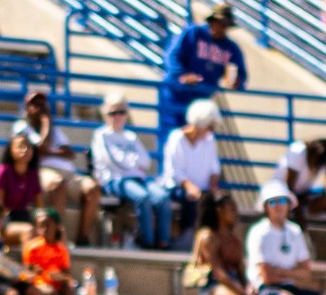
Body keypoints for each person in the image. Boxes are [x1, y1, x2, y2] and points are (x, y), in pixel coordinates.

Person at [247, 181, 326, 295]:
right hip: (266, 290)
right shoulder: (258, 232)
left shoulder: (295, 230)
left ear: (289, 205)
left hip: (291, 288)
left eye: (282, 201)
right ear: (265, 207)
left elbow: (306, 273)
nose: (278, 206)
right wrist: (292, 272)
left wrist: (280, 271)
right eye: (273, 202)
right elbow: (267, 278)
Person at [16, 90, 101, 244]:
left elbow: (69, 153)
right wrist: (46, 123)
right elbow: (39, 150)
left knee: (93, 188)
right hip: (40, 171)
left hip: (69, 173)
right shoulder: (22, 127)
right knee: (57, 183)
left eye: (42, 104)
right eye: (34, 104)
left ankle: (82, 239)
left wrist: (48, 150)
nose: (39, 108)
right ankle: (56, 238)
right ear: (27, 107)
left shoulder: (56, 130)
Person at [91, 92, 165, 250]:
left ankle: (163, 242)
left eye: (122, 112)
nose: (118, 116)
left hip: (137, 179)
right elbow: (114, 161)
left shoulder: (131, 136)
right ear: (106, 114)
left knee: (162, 197)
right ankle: (147, 242)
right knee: (142, 197)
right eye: (113, 113)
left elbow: (146, 161)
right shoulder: (101, 135)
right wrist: (134, 162)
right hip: (115, 180)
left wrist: (131, 162)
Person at [161, 4, 247, 133]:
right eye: (219, 22)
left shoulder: (230, 48)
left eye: (225, 24)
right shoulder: (194, 33)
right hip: (176, 95)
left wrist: (236, 82)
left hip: (202, 101)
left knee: (199, 140)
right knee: (173, 136)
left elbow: (240, 76)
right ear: (211, 21)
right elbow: (172, 56)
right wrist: (183, 75)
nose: (221, 27)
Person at [0, 210, 76, 295]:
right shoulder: (33, 246)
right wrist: (38, 272)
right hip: (39, 282)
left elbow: (67, 273)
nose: (45, 228)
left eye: (48, 224)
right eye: (41, 225)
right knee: (51, 293)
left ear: (56, 226)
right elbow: (27, 271)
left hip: (55, 282)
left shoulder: (61, 249)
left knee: (70, 294)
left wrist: (61, 277)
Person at [158, 100, 223, 250]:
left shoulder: (210, 141)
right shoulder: (176, 138)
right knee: (190, 197)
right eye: (210, 126)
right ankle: (186, 237)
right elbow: (176, 172)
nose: (211, 130)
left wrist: (213, 188)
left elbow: (215, 169)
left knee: (218, 202)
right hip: (176, 187)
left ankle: (212, 242)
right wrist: (190, 187)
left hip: (202, 189)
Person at [185, 192, 254, 295]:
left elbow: (240, 272)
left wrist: (249, 288)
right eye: (232, 209)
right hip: (213, 286)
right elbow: (219, 273)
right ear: (219, 211)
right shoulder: (207, 237)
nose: (236, 212)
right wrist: (242, 292)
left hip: (234, 284)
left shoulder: (234, 240)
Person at [0, 132, 45, 243]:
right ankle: (29, 260)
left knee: (53, 230)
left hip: (24, 216)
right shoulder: (3, 171)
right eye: (20, 146)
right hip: (5, 219)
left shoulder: (33, 174)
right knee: (28, 231)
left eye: (28, 146)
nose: (24, 150)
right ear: (11, 149)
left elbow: (39, 207)